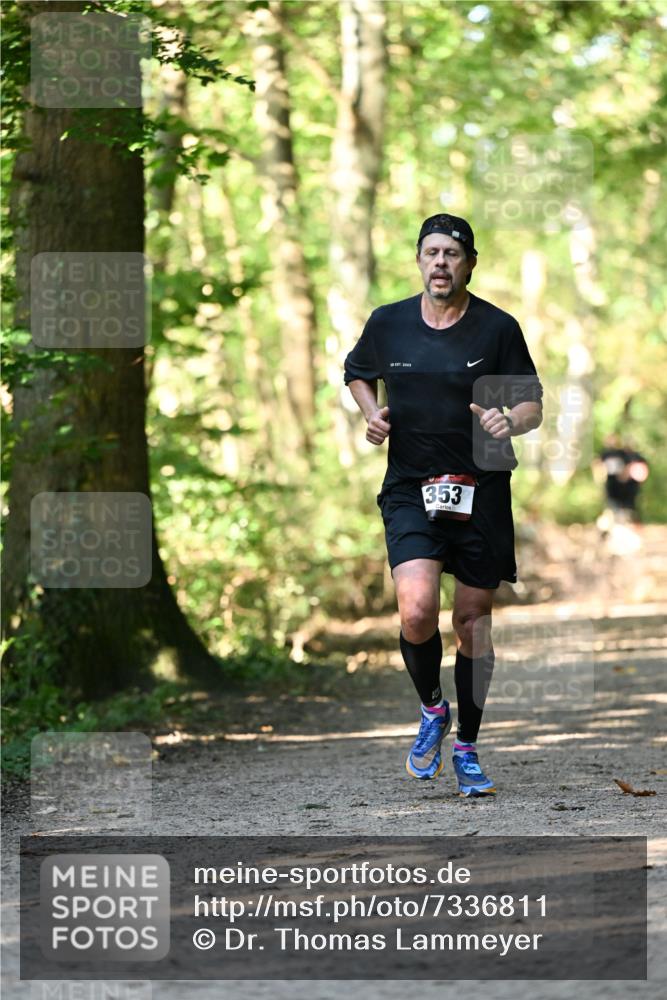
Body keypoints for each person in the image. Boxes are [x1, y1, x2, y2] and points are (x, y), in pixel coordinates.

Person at [344, 213, 543, 796]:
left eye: (451, 254)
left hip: (481, 488)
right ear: (418, 260)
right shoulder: (389, 323)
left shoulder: (497, 328)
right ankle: (433, 708)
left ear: (469, 263)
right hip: (411, 487)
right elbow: (358, 373)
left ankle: (469, 747)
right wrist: (370, 411)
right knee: (415, 610)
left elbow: (531, 403)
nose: (440, 263)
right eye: (431, 252)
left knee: (472, 624)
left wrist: (512, 420)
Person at [598, 434, 649, 524]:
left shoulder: (628, 455)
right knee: (612, 506)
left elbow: (641, 469)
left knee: (628, 507)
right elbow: (599, 465)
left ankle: (627, 523)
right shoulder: (605, 454)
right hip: (612, 484)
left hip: (629, 486)